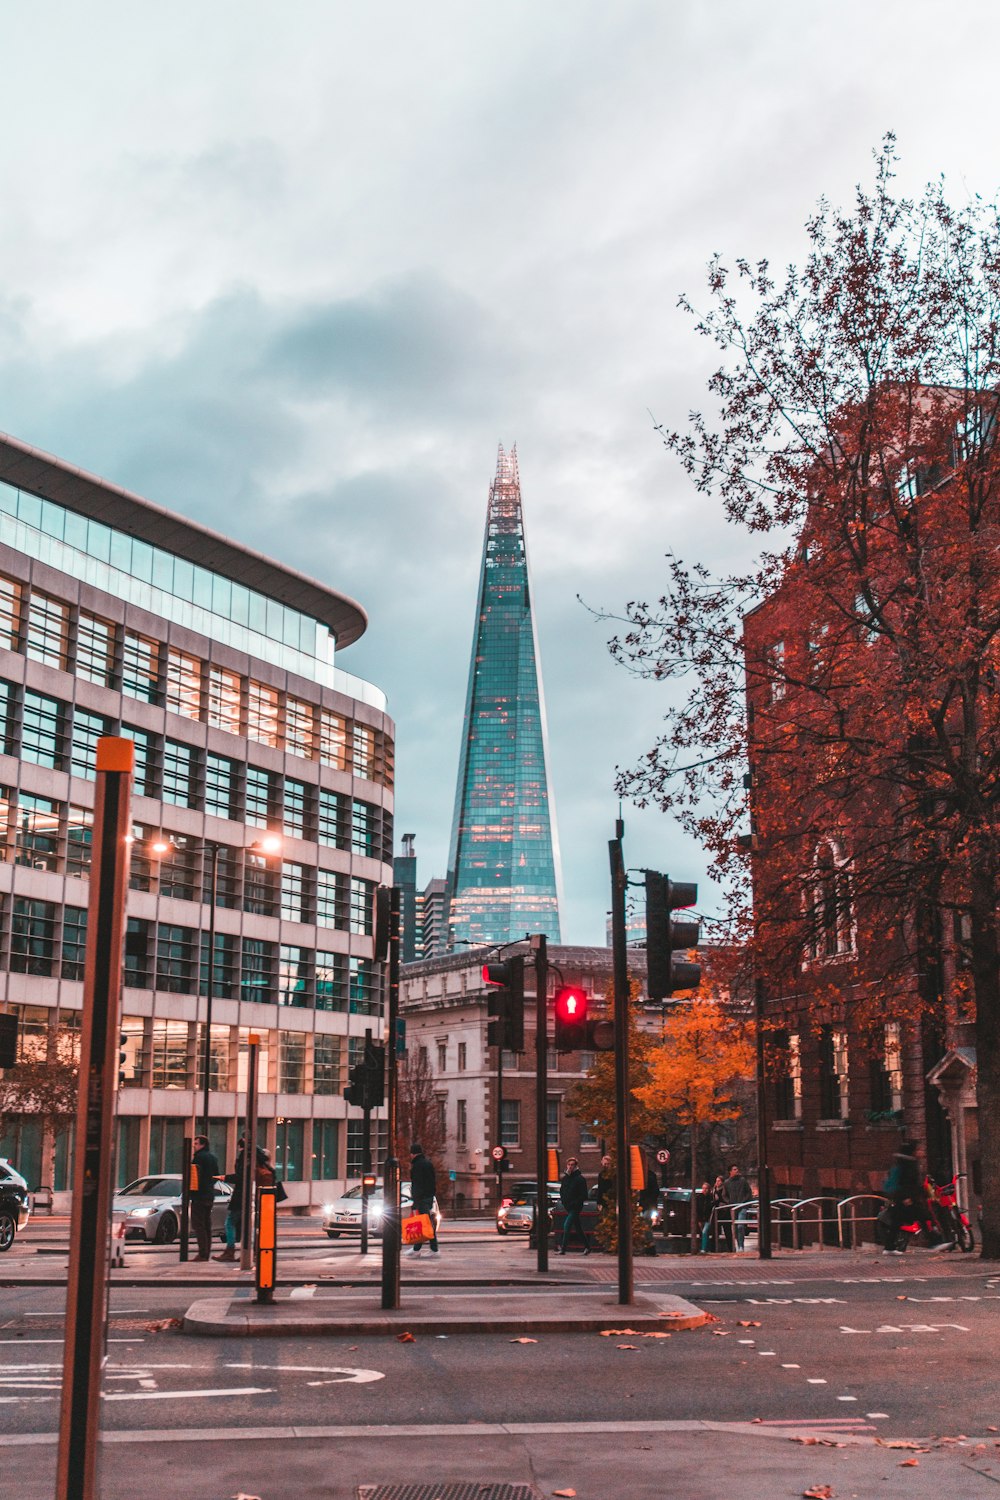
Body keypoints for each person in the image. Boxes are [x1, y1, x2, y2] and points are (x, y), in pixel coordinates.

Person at [214, 1135, 265, 1262]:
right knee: (248, 1225)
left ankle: (230, 1251)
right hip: (254, 1194)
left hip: (241, 1195)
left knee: (230, 1223)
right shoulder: (258, 1154)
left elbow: (241, 1177)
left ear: (240, 1147)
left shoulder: (245, 1155)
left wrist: (224, 1177)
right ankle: (250, 1252)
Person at [881, 1139, 923, 1254]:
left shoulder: (901, 1161)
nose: (920, 1151)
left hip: (901, 1197)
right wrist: (906, 1197)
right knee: (924, 1215)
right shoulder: (907, 1163)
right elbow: (907, 1181)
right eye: (918, 1149)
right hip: (905, 1198)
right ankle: (936, 1241)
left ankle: (889, 1247)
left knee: (896, 1221)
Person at [190, 1134, 219, 1262]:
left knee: (198, 1225)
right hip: (209, 1195)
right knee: (207, 1224)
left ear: (202, 1144)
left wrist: (193, 1191)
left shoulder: (198, 1158)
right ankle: (206, 1252)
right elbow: (216, 1175)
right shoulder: (213, 1158)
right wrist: (209, 1185)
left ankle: (202, 1253)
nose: (194, 1146)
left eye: (196, 1143)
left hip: (199, 1195)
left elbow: (194, 1177)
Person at [408, 1143, 439, 1254]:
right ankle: (419, 1248)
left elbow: (417, 1184)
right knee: (424, 1223)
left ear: (413, 1153)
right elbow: (432, 1181)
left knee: (425, 1224)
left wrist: (415, 1201)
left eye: (411, 1153)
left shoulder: (417, 1166)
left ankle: (433, 1249)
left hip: (421, 1198)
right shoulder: (428, 1164)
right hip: (428, 1197)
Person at [558, 1157, 591, 1255]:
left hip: (575, 1207)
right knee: (578, 1227)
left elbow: (584, 1195)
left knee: (567, 1225)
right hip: (568, 1206)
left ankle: (563, 1248)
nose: (570, 1167)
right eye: (569, 1165)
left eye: (572, 1165)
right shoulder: (565, 1179)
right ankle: (587, 1247)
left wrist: (575, 1203)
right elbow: (562, 1191)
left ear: (576, 1166)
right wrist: (564, 1201)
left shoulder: (580, 1179)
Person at [722, 1165, 753, 1251]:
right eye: (734, 1169)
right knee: (735, 1227)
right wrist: (729, 1202)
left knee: (740, 1226)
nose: (737, 1171)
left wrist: (745, 1201)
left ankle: (741, 1246)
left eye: (737, 1169)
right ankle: (738, 1244)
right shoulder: (727, 1183)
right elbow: (724, 1195)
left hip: (742, 1206)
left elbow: (748, 1192)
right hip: (733, 1207)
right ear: (730, 1171)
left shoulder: (742, 1181)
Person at [701, 1175, 725, 1252]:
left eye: (706, 1188)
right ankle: (707, 1248)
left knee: (705, 1232)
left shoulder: (712, 1196)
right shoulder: (700, 1197)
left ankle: (704, 1248)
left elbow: (717, 1202)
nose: (704, 1190)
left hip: (710, 1217)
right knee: (705, 1233)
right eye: (703, 1188)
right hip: (703, 1218)